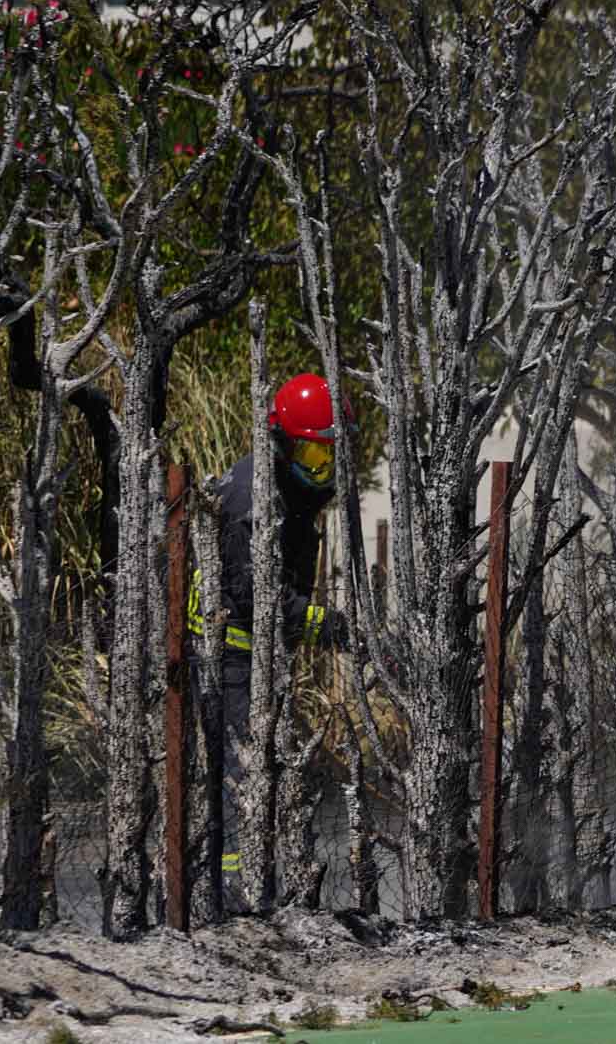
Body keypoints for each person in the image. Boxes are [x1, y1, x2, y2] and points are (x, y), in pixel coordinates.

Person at [188, 371, 349, 906]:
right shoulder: (251, 501)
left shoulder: (290, 492)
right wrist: (333, 627)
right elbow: (262, 603)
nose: (322, 470)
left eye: (329, 457)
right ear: (282, 445)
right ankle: (234, 895)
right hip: (223, 656)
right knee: (239, 775)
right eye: (313, 456)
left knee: (259, 771)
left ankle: (252, 881)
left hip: (255, 657)